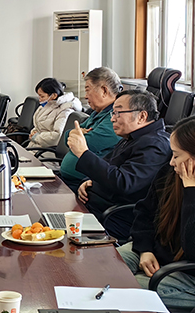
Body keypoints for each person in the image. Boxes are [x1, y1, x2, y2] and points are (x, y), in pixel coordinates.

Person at [117, 114, 195, 310]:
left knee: (123, 291)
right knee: (103, 269)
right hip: (159, 256)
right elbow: (145, 213)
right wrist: (145, 249)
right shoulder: (170, 175)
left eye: (176, 155)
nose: (171, 162)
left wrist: (192, 190)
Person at [67, 90, 171, 240]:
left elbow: (124, 183)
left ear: (142, 116)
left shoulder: (155, 145)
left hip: (115, 217)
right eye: (113, 113)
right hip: (96, 207)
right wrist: (88, 180)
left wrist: (83, 153)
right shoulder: (131, 138)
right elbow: (107, 166)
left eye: (118, 113)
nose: (112, 119)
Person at [60, 67, 122, 192]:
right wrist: (73, 133)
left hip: (84, 185)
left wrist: (77, 136)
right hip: (69, 181)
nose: (85, 96)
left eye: (88, 90)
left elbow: (86, 143)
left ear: (104, 91)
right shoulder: (97, 113)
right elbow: (66, 137)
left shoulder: (116, 117)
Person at [27, 78, 82, 149]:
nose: (40, 100)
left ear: (54, 96)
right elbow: (39, 126)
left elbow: (57, 136)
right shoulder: (46, 106)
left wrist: (37, 137)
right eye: (39, 96)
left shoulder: (65, 111)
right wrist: (33, 132)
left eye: (42, 96)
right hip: (36, 146)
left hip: (46, 150)